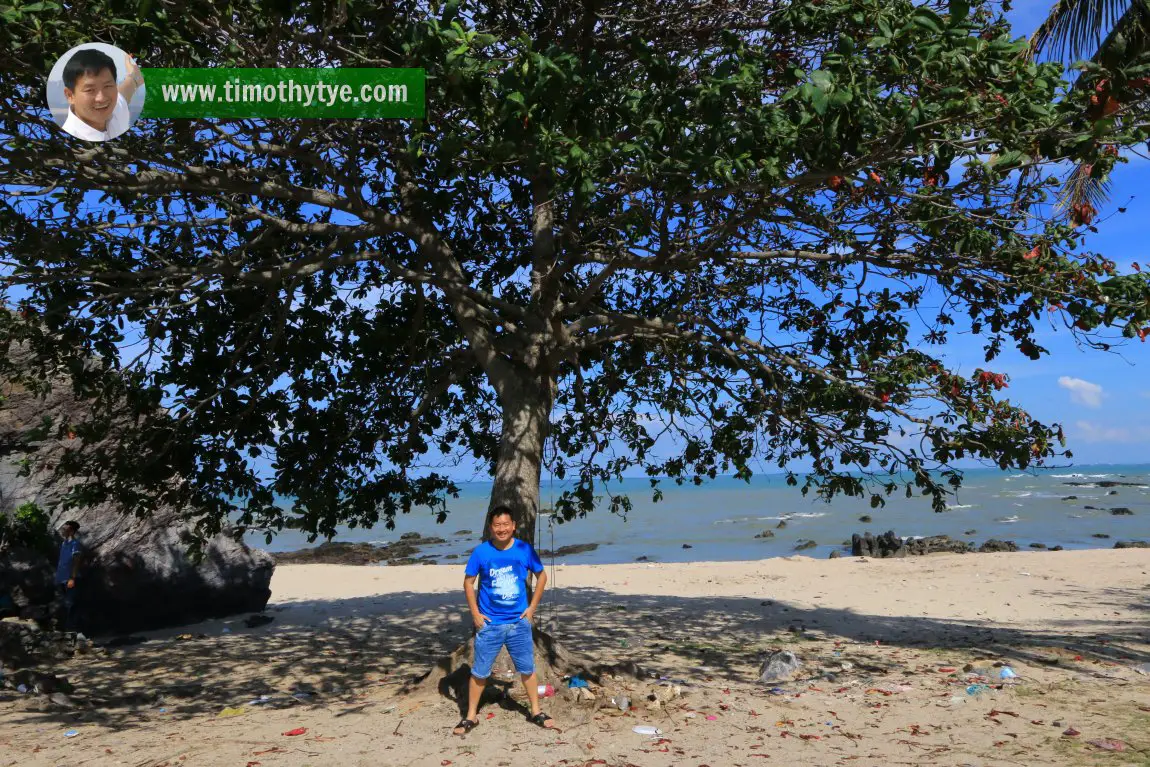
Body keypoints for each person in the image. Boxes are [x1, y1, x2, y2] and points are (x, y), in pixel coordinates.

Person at [453, 506, 555, 735]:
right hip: (490, 624)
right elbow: (468, 583)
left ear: (513, 526)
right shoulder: (481, 552)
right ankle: (470, 716)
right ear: (491, 527)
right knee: (479, 672)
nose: (502, 529)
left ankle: (536, 711)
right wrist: (475, 614)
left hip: (519, 623)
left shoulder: (523, 549)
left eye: (505, 524)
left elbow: (542, 576)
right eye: (497, 525)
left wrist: (531, 609)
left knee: (527, 669)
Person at [60, 48, 143, 141]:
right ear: (70, 95)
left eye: (107, 86)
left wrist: (134, 76)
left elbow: (126, 91)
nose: (101, 98)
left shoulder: (114, 111)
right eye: (90, 90)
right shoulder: (69, 140)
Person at [55, 520, 84, 631]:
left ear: (71, 531)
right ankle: (65, 629)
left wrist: (72, 578)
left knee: (71, 605)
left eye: (65, 528)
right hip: (61, 579)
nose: (63, 530)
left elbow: (76, 561)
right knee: (64, 605)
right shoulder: (64, 543)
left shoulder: (75, 544)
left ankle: (72, 630)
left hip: (70, 579)